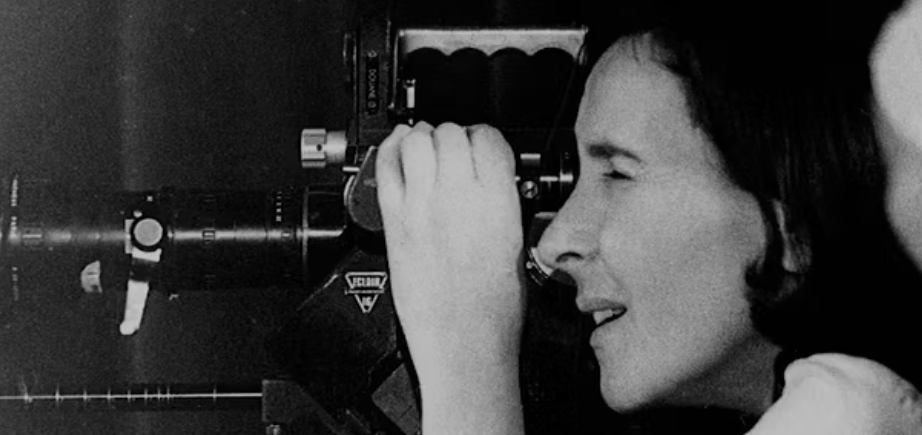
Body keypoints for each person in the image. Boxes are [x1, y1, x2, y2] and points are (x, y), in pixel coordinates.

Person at [375, 1, 922, 434]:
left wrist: (469, 363)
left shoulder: (847, 416)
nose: (555, 244)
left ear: (793, 227)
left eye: (617, 174)